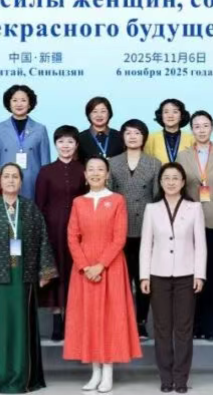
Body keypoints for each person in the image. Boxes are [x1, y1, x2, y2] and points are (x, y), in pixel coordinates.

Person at [0, 163, 58, 393]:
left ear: (21, 182)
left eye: (15, 177)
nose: (10, 180)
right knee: (0, 328)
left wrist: (45, 271)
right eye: (6, 176)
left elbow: (43, 239)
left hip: (24, 276)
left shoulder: (30, 209)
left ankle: (22, 376)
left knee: (21, 327)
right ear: (0, 182)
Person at [64, 157, 144, 392]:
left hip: (111, 266)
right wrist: (85, 266)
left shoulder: (117, 200)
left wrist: (100, 265)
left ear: (108, 174)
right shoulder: (78, 202)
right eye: (91, 170)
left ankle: (108, 372)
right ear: (85, 175)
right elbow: (72, 237)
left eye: (100, 169)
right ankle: (95, 371)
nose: (96, 173)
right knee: (88, 318)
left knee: (110, 318)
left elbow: (119, 238)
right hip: (83, 269)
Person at [140, 162, 206, 394]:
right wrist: (144, 276)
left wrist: (200, 274)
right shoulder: (152, 209)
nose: (170, 182)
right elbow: (146, 245)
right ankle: (165, 378)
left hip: (186, 275)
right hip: (158, 275)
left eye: (175, 178)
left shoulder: (194, 208)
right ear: (160, 182)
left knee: (184, 329)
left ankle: (181, 378)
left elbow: (200, 245)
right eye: (166, 178)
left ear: (183, 182)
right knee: (162, 328)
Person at [176, 111, 213, 341]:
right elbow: (177, 189)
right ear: (191, 129)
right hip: (189, 221)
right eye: (197, 126)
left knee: (212, 276)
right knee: (192, 276)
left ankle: (210, 328)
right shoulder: (182, 156)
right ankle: (193, 326)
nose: (201, 130)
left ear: (212, 128)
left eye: (205, 125)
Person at [108, 118, 162, 340]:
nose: (132, 137)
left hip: (145, 229)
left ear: (144, 137)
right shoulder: (112, 163)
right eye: (128, 133)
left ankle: (141, 322)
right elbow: (108, 197)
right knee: (120, 280)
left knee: (143, 279)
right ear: (122, 137)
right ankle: (120, 323)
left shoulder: (154, 163)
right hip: (119, 229)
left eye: (137, 133)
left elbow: (158, 198)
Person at [34, 125, 87, 341]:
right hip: (52, 229)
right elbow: (39, 204)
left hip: (79, 229)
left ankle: (73, 322)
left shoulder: (83, 170)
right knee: (55, 272)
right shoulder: (46, 171)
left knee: (74, 272)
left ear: (76, 145)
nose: (65, 146)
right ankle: (57, 321)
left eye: (70, 142)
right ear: (55, 144)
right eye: (61, 141)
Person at [0, 85, 50, 200]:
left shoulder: (40, 129)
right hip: (6, 182)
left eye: (23, 100)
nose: (19, 104)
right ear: (9, 103)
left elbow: (45, 164)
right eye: (15, 100)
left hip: (32, 183)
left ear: (30, 104)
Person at [145, 98, 193, 164]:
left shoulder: (191, 139)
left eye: (175, 112)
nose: (170, 116)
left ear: (181, 116)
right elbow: (147, 163)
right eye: (166, 112)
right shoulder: (151, 138)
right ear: (161, 115)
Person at [78, 96, 125, 161]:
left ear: (109, 113)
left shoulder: (120, 136)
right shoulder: (80, 138)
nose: (99, 115)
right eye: (95, 111)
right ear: (88, 115)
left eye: (103, 111)